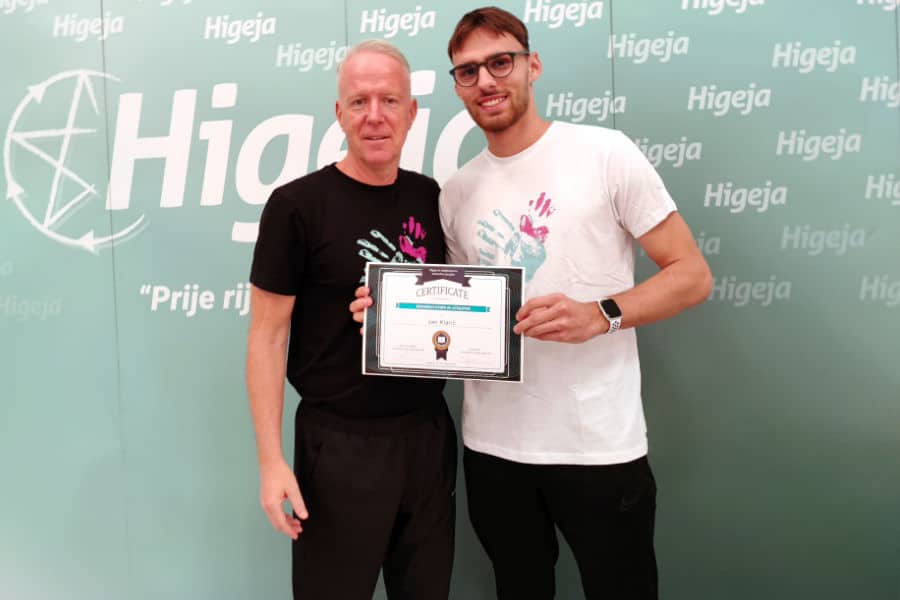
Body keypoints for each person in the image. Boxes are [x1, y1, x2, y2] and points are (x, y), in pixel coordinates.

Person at [352, 7, 713, 600]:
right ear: (457, 85)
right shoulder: (456, 191)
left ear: (532, 65)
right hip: (494, 450)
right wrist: (388, 317)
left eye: (500, 62)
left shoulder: (604, 153)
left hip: (598, 445)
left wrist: (602, 314)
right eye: (468, 71)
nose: (486, 81)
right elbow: (449, 312)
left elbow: (692, 275)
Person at [247, 40, 456, 600]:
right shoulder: (295, 206)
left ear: (412, 112)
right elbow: (266, 336)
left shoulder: (431, 197)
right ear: (339, 113)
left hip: (427, 436)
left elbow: (455, 309)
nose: (375, 116)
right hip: (339, 445)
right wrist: (271, 461)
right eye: (359, 102)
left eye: (390, 100)